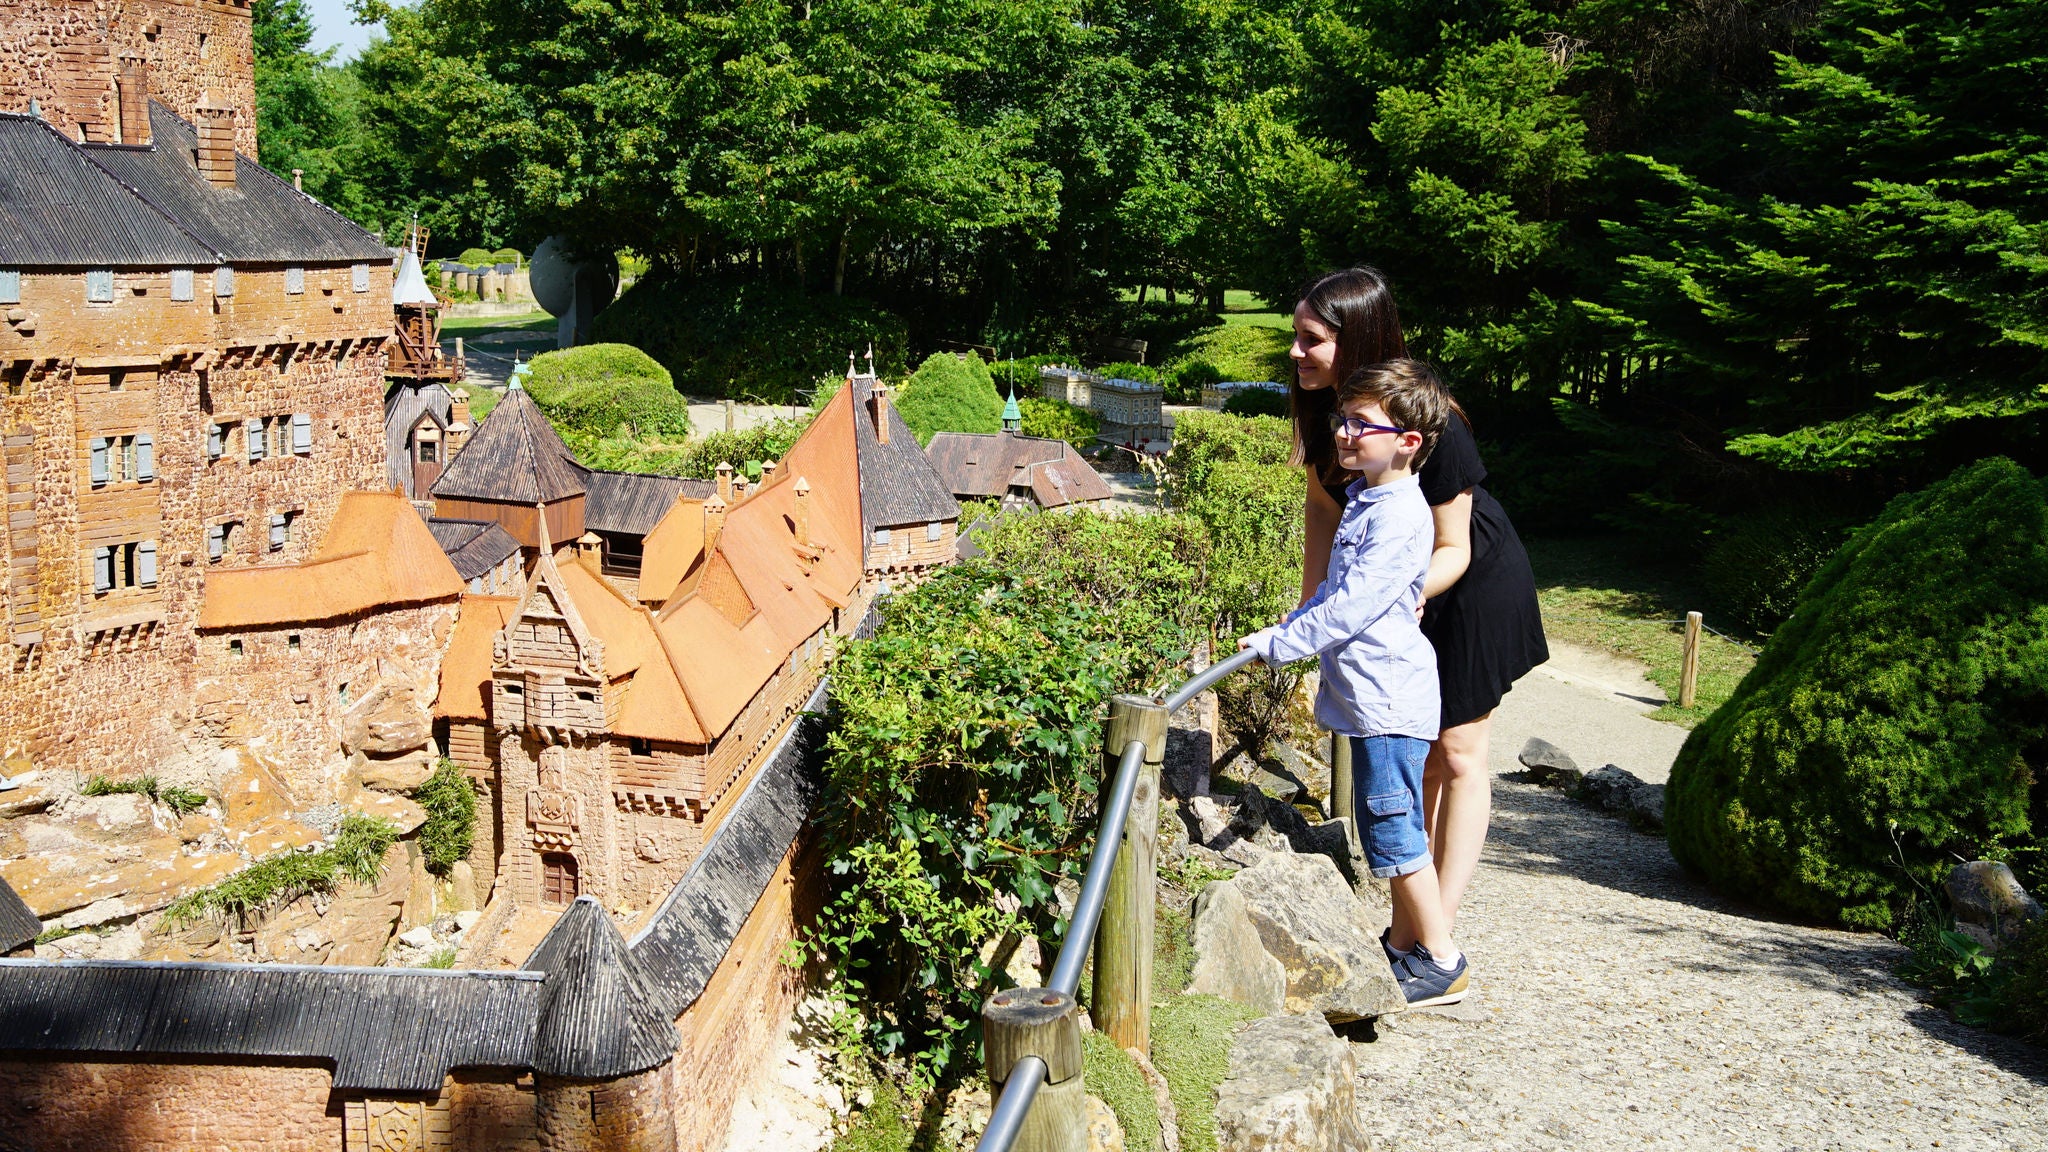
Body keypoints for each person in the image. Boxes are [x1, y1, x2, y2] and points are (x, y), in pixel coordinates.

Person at [1288, 268, 1548, 951]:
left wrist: (1375, 605)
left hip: (1464, 584)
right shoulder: (1329, 420)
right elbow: (1322, 508)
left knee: (1457, 753)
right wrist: (1313, 610)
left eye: (1310, 340)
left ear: (1355, 341)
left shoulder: (1429, 423)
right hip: (1390, 592)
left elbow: (1454, 546)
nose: (1295, 353)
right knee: (1417, 753)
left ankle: (1432, 935)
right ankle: (1412, 929)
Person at [1241, 360, 1468, 1007]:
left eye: (1360, 424)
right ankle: (1402, 948)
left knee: (1394, 833)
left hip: (1390, 704)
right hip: (1377, 700)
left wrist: (1283, 646)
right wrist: (1282, 628)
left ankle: (1443, 960)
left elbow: (1352, 605)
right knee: (1387, 829)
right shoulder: (1372, 500)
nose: (1343, 433)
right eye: (1343, 420)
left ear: (1408, 442)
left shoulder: (1400, 516)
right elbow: (1333, 596)